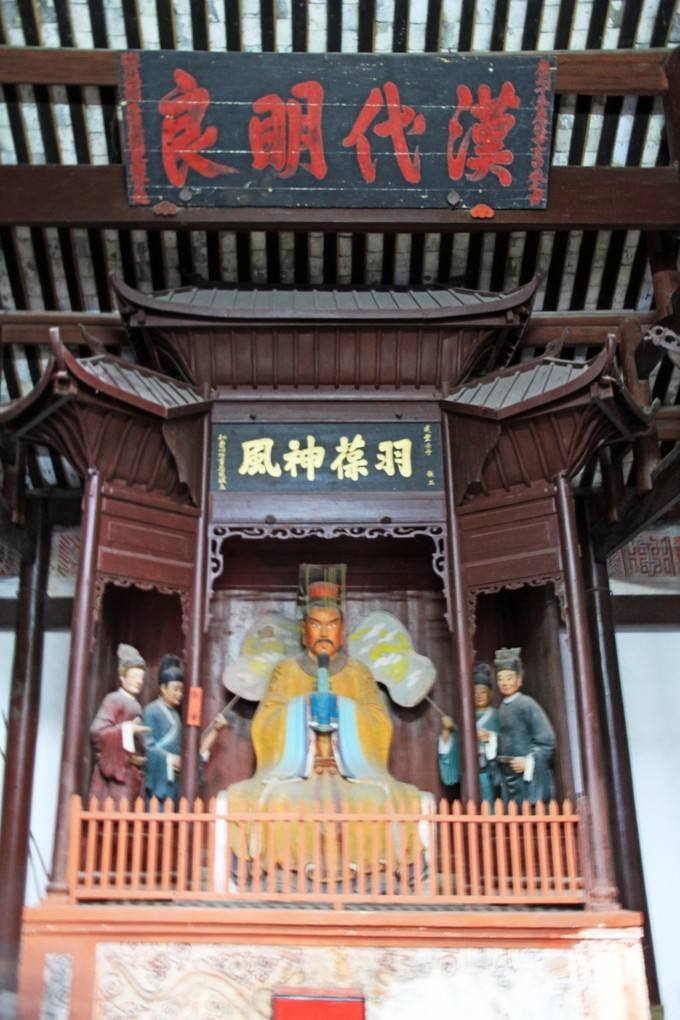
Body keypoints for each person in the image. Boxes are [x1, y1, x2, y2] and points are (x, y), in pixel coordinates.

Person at [222, 576, 427, 870]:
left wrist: (342, 709)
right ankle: (289, 868)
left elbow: (379, 723)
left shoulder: (358, 672)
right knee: (281, 800)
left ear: (342, 631)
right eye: (316, 624)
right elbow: (265, 721)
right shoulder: (286, 671)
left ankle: (365, 866)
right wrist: (303, 708)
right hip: (298, 771)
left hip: (350, 772)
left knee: (373, 801)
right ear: (303, 632)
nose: (324, 632)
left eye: (331, 625)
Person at [494, 647, 555, 806]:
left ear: (519, 679)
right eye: (500, 678)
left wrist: (528, 762)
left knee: (530, 812)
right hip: (507, 775)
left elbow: (547, 741)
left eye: (509, 677)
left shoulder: (526, 704)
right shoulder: (501, 708)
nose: (505, 683)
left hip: (526, 775)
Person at [89, 643, 149, 805]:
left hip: (134, 772)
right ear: (122, 677)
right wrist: (127, 730)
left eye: (141, 677)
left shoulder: (136, 705)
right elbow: (97, 731)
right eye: (134, 677)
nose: (139, 681)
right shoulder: (114, 699)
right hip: (118, 771)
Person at [143, 653, 185, 807]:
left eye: (181, 690)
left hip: (174, 776)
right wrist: (170, 759)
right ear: (163, 688)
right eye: (175, 689)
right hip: (158, 775)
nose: (179, 694)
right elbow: (147, 746)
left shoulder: (176, 715)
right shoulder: (151, 710)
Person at [472, 662, 500, 804]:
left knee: (489, 801)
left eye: (482, 692)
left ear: (490, 693)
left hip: (490, 767)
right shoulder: (468, 717)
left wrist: (491, 738)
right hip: (473, 766)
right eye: (475, 692)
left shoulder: (496, 715)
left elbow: (506, 739)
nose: (478, 696)